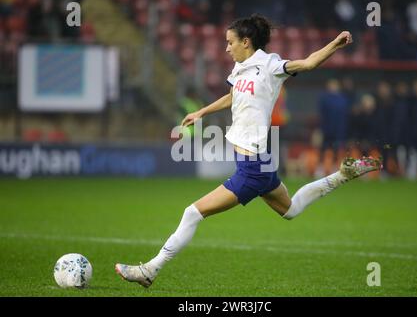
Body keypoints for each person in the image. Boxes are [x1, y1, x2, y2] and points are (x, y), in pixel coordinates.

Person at [115, 14, 382, 288]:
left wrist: (335, 44)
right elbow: (232, 97)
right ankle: (342, 175)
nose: (226, 48)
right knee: (290, 209)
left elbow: (309, 62)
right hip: (262, 160)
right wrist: (202, 112)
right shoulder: (239, 69)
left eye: (230, 43)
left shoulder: (270, 65)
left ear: (246, 41)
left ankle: (150, 270)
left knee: (192, 213)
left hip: (252, 166)